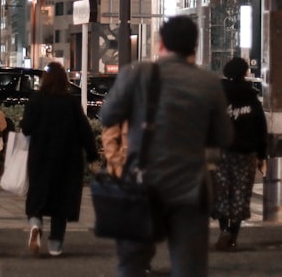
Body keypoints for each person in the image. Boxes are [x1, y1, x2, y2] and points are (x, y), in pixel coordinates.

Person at [99, 16, 233, 277]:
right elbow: (225, 137)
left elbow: (107, 116)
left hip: (141, 185)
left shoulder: (136, 74)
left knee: (131, 264)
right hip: (190, 188)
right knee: (189, 268)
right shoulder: (208, 83)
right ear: (194, 47)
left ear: (161, 43)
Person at [20, 61, 98, 257]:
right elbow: (85, 131)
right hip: (67, 159)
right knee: (61, 201)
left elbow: (27, 128)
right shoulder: (70, 102)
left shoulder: (36, 100)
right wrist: (92, 155)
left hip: (41, 157)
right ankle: (55, 244)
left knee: (38, 194)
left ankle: (36, 224)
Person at [212, 57, 267, 251]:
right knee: (240, 193)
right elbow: (261, 128)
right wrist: (262, 155)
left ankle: (223, 230)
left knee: (221, 193)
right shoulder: (251, 98)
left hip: (220, 152)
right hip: (245, 153)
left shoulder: (217, 96)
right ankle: (232, 234)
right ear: (245, 73)